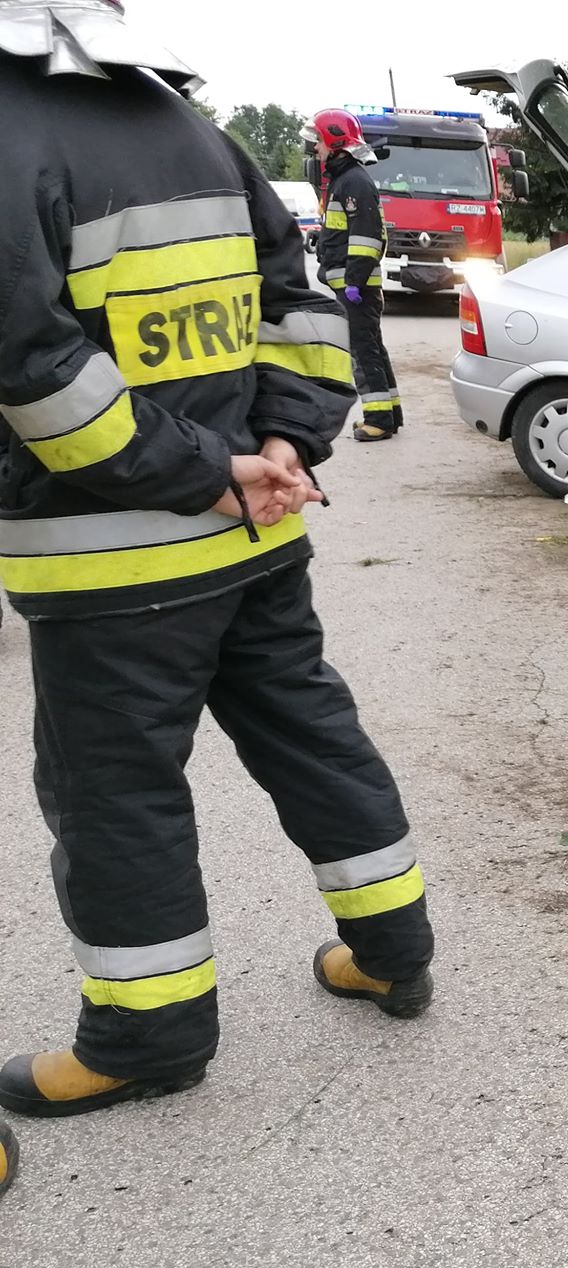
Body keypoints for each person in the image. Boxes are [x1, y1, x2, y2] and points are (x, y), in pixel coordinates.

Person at [0, 0, 437, 1121]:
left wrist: (200, 470)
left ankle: (146, 1036)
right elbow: (300, 302)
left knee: (115, 795)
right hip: (259, 529)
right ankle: (393, 950)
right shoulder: (193, 126)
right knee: (309, 729)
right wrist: (283, 444)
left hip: (112, 560)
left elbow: (36, 370)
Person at [313, 109, 401, 441]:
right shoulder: (345, 179)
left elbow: (366, 237)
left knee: (363, 352)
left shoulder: (353, 181)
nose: (316, 149)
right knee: (372, 347)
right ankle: (390, 413)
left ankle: (378, 420)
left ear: (335, 143)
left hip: (357, 287)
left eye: (319, 142)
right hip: (353, 283)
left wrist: (354, 281)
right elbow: (343, 230)